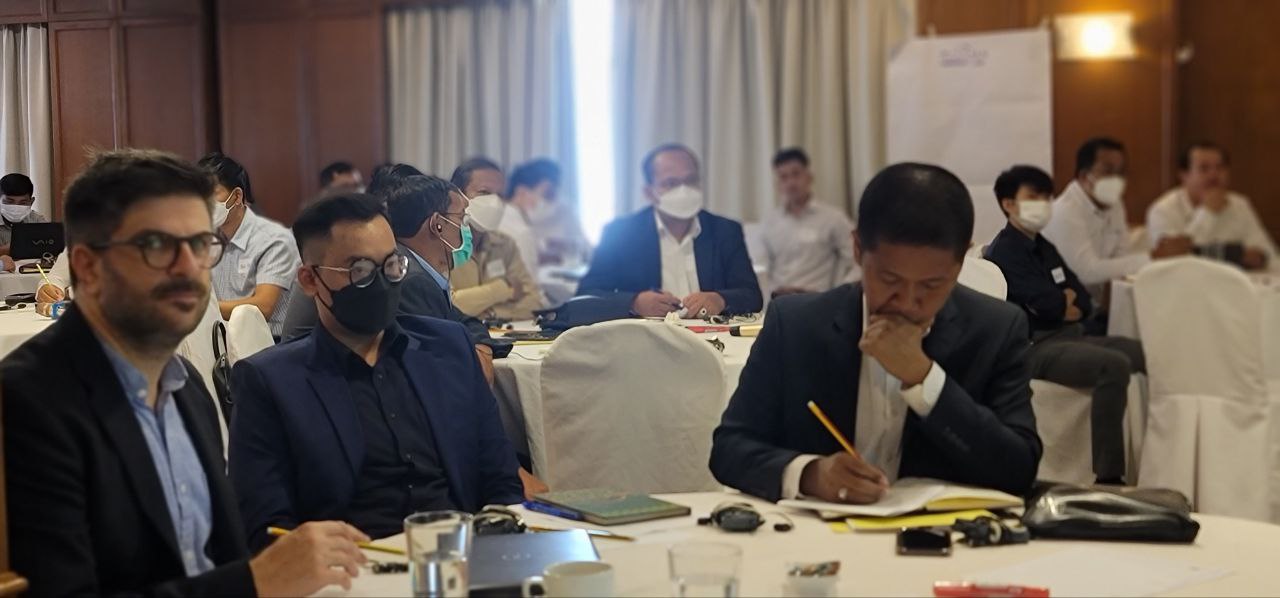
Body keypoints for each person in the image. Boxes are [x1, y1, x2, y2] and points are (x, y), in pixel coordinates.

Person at [1, 149, 370, 597]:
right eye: (158, 246)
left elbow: (218, 558)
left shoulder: (186, 384)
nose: (190, 268)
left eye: (199, 244)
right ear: (88, 266)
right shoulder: (30, 401)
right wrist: (256, 581)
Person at [709, 162, 1042, 504]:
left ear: (962, 261)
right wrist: (810, 474)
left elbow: (1018, 470)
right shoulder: (796, 324)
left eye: (931, 284)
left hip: (940, 531)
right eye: (889, 279)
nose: (908, 302)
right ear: (857, 249)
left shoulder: (996, 329)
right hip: (819, 528)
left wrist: (923, 378)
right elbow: (730, 448)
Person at [228, 193, 524, 549]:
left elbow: (500, 478)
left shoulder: (448, 349)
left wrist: (502, 549)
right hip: (354, 565)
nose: (383, 282)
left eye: (392, 266)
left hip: (463, 554)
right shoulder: (271, 382)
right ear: (310, 280)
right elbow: (266, 527)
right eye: (361, 271)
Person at [984, 165, 1145, 484]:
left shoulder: (1044, 247)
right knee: (1113, 364)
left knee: (1141, 352)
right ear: (1008, 204)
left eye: (1047, 197)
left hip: (1070, 335)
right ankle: (1109, 475)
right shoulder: (1004, 252)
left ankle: (1151, 457)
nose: (1043, 204)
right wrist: (1060, 303)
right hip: (1033, 347)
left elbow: (1081, 300)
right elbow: (1049, 304)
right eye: (1033, 197)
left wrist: (1063, 304)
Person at [577, 143, 762, 317]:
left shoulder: (725, 231)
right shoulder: (620, 234)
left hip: (712, 334)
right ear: (649, 193)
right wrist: (634, 303)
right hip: (645, 335)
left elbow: (752, 295)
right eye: (671, 183)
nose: (684, 190)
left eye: (691, 180)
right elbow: (586, 296)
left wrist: (720, 299)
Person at [1042, 137, 1192, 288]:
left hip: (1099, 296)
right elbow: (1086, 272)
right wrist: (1152, 257)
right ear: (1084, 176)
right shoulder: (1064, 212)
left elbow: (1122, 257)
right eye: (1108, 171)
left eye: (1121, 172)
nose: (1116, 179)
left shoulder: (1114, 204)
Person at [199, 152, 301, 337]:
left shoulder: (274, 240)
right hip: (222, 340)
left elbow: (263, 306)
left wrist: (201, 307)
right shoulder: (207, 240)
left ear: (237, 196)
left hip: (270, 343)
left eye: (212, 194)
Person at [1147, 141, 1277, 270]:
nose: (1213, 175)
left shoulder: (1239, 204)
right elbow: (1174, 260)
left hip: (1238, 279)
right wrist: (1208, 213)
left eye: (1220, 168)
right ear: (1184, 175)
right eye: (1204, 168)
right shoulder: (1162, 210)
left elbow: (1269, 255)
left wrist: (1260, 257)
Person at [761, 148, 856, 296]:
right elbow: (762, 269)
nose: (791, 183)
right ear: (778, 184)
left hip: (818, 298)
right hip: (779, 300)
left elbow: (857, 259)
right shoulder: (769, 223)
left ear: (810, 177)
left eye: (796, 174)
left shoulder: (833, 218)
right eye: (784, 177)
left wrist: (840, 292)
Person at [452, 156, 539, 274]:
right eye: (484, 192)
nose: (494, 202)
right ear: (457, 195)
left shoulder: (505, 245)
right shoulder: (441, 246)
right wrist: (502, 284)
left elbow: (525, 284)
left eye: (500, 195)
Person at [507, 158, 590, 266]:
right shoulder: (507, 217)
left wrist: (570, 246)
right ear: (521, 193)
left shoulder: (564, 210)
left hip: (564, 273)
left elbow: (587, 249)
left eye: (554, 191)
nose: (553, 198)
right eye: (547, 193)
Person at [0, 172, 51, 271]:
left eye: (23, 203)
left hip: (30, 272)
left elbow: (52, 247)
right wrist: (9, 249)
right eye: (9, 202)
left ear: (31, 202)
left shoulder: (36, 220)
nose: (16, 207)